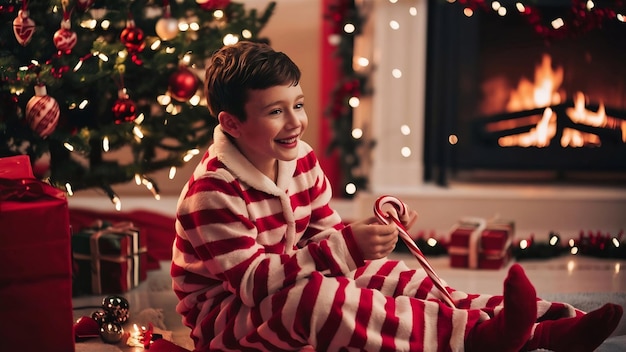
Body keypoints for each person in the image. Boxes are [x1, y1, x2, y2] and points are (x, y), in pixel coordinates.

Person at [171, 41, 622, 352]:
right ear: (231, 124)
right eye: (275, 112)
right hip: (229, 323)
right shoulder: (213, 191)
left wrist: (368, 237)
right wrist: (345, 248)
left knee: (391, 276)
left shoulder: (300, 160)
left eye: (299, 104)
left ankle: (551, 327)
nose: (295, 122)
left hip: (285, 283)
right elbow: (254, 285)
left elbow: (323, 233)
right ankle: (477, 339)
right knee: (313, 301)